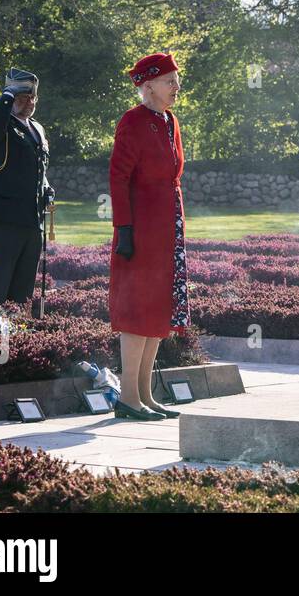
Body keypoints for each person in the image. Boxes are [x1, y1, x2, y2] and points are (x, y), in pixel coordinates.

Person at [107, 52, 189, 420]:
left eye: (176, 80)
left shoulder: (170, 121)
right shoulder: (133, 121)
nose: (176, 87)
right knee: (137, 310)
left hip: (167, 227)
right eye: (170, 80)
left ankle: (143, 395)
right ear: (149, 85)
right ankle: (127, 398)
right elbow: (119, 177)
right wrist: (123, 228)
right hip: (139, 229)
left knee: (158, 309)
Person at [0, 68, 54, 302]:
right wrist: (8, 96)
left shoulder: (37, 128)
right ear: (9, 98)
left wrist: (47, 188)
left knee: (24, 287)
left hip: (32, 218)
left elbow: (37, 167)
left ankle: (18, 331)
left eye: (32, 97)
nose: (29, 102)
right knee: (0, 282)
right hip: (5, 218)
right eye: (22, 97)